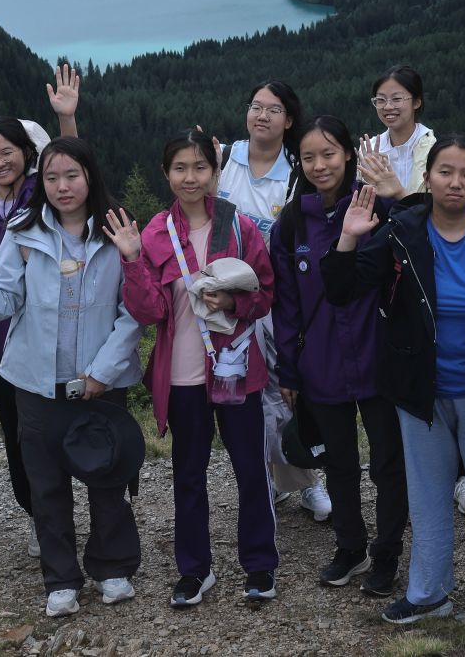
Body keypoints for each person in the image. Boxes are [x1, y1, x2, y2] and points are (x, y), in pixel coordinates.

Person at [323, 135, 465, 625]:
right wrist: (349, 237)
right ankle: (429, 594)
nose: (455, 183)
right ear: (427, 178)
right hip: (421, 393)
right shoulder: (402, 233)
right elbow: (340, 290)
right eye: (445, 172)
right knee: (427, 499)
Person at [0, 136, 145, 618]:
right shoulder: (23, 231)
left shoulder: (116, 229)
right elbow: (4, 304)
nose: (62, 186)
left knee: (107, 475)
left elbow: (132, 310)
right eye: (52, 177)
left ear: (90, 176)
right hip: (36, 382)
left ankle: (112, 566)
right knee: (46, 485)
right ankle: (61, 577)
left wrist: (102, 372)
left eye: (72, 175)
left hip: (102, 382)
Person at [104, 130, 280, 607]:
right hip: (182, 374)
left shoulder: (239, 227)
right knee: (188, 474)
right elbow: (150, 312)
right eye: (180, 167)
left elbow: (266, 295)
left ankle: (260, 564)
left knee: (250, 469)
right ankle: (194, 570)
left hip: (236, 367)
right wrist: (132, 259)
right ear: (166, 173)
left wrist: (233, 301)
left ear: (215, 172)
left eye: (200, 167)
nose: (190, 177)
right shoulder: (155, 233)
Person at [270, 115, 408, 596]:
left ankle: (387, 554)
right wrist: (289, 369)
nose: (320, 165)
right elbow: (286, 305)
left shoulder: (378, 207)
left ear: (348, 154)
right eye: (309, 157)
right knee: (339, 463)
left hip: (378, 353)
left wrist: (396, 195)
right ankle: (350, 547)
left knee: (389, 463)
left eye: (329, 154)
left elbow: (418, 246)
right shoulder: (292, 223)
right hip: (322, 360)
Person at [0, 84, 78, 553]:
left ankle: (71, 511)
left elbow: (74, 165)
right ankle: (39, 516)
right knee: (18, 438)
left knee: (64, 432)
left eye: (7, 152)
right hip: (1, 348)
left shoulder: (45, 197)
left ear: (28, 153)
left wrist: (66, 119)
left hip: (52, 339)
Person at [212, 80, 327, 518]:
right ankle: (263, 481)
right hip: (224, 297)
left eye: (273, 109)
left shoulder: (297, 171)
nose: (262, 115)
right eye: (256, 106)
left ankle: (304, 476)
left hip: (273, 296)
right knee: (239, 390)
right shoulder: (225, 159)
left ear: (289, 120)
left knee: (284, 389)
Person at [357, 65, 435, 201]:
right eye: (381, 100)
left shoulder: (434, 150)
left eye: (397, 99)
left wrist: (398, 192)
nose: (388, 107)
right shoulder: (370, 150)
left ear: (416, 102)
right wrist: (368, 183)